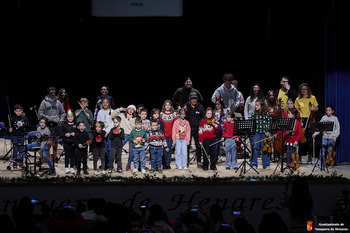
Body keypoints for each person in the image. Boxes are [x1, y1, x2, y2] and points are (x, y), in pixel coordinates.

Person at [294, 83, 318, 163]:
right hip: (301, 120)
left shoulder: (312, 97)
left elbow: (317, 108)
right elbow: (296, 110)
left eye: (305, 89)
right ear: (300, 90)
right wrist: (299, 120)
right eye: (302, 89)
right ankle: (300, 156)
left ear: (308, 89)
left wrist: (313, 108)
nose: (304, 90)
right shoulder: (298, 99)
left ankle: (310, 156)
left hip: (310, 120)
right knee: (300, 138)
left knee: (309, 139)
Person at [111, 105, 136, 171]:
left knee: (131, 151)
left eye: (132, 109)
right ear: (127, 109)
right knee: (117, 149)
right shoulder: (122, 115)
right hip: (123, 135)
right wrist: (118, 109)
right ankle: (120, 164)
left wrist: (130, 120)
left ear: (134, 111)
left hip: (131, 135)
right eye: (129, 109)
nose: (130, 110)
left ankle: (128, 164)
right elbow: (112, 115)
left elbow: (134, 127)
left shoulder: (134, 118)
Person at [184, 92, 205, 168]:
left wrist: (201, 127)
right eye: (192, 99)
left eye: (195, 98)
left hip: (197, 129)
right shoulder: (186, 106)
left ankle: (199, 162)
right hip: (188, 130)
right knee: (187, 146)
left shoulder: (200, 107)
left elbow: (203, 117)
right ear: (189, 99)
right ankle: (186, 161)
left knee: (198, 146)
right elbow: (183, 116)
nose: (194, 100)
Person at [251, 99, 272, 169]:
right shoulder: (254, 114)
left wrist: (268, 131)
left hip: (264, 133)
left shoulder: (267, 114)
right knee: (255, 148)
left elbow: (269, 123)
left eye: (257, 105)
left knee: (265, 148)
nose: (256, 107)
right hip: (256, 133)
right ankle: (254, 163)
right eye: (255, 105)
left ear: (262, 106)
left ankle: (266, 164)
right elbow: (252, 124)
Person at [9, 104, 29, 168]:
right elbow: (8, 128)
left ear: (22, 111)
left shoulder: (24, 118)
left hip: (22, 136)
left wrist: (26, 130)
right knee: (15, 149)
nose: (18, 112)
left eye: (19, 111)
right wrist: (9, 129)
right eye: (17, 111)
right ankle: (15, 163)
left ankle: (21, 162)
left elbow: (27, 126)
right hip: (15, 136)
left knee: (22, 150)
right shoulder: (12, 118)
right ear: (14, 111)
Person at [96, 97, 114, 168]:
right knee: (104, 149)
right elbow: (98, 122)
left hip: (110, 133)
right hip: (102, 132)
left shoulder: (112, 111)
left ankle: (110, 164)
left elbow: (112, 123)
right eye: (104, 103)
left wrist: (107, 131)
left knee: (110, 149)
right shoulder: (100, 112)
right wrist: (99, 131)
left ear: (109, 103)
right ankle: (105, 163)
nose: (105, 104)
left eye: (106, 102)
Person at [160, 100, 177, 169]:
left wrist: (174, 135)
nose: (167, 106)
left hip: (170, 135)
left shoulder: (173, 114)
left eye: (169, 105)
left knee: (169, 150)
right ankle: (163, 164)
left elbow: (175, 125)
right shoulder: (161, 114)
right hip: (163, 135)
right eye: (166, 105)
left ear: (171, 106)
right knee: (164, 150)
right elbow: (160, 125)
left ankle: (168, 164)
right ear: (164, 106)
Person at [60, 109, 77, 174]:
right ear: (67, 117)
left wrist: (75, 134)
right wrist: (65, 134)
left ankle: (72, 167)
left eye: (71, 117)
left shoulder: (76, 124)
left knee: (72, 154)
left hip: (73, 142)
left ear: (73, 117)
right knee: (67, 154)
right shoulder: (64, 125)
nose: (70, 118)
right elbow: (61, 133)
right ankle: (66, 167)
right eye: (69, 117)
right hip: (66, 142)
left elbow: (78, 132)